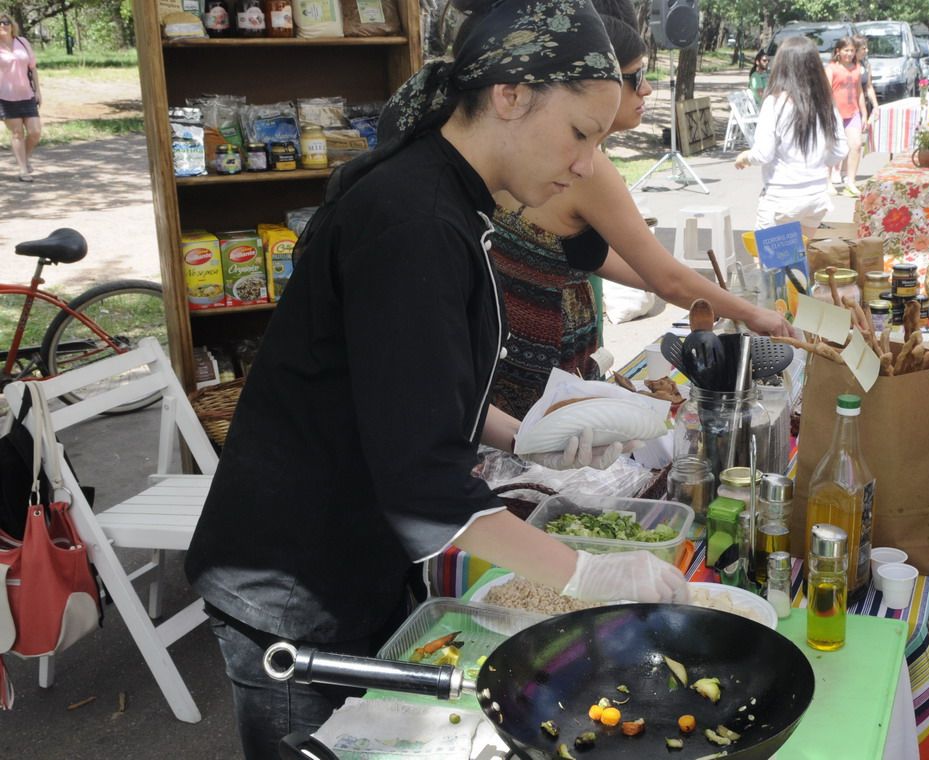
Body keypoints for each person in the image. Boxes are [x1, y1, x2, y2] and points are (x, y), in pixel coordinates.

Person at [184, 2, 688, 755]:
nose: (589, 164)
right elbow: (422, 485)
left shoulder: (451, 199)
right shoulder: (414, 219)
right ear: (510, 95)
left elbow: (400, 378)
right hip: (295, 577)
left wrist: (522, 437)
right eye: (582, 133)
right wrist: (587, 574)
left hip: (361, 556)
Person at [483, 0, 796, 419]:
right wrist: (753, 315)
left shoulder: (561, 156)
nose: (647, 90)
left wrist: (707, 296)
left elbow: (592, 256)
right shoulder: (588, 170)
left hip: (535, 365)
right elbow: (667, 279)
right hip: (534, 377)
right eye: (637, 78)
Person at [734, 36, 849, 237]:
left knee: (767, 262)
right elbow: (840, 149)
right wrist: (817, 163)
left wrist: (745, 157)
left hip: (782, 198)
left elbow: (763, 154)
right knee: (799, 259)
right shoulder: (825, 102)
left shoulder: (775, 102)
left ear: (782, 66)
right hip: (815, 197)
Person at [0, 14, 41, 183]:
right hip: (5, 96)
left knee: (35, 132)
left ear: (12, 24)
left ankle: (24, 159)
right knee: (17, 133)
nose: (3, 25)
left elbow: (33, 68)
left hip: (27, 94)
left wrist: (38, 90)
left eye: (6, 22)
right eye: (0, 23)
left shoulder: (23, 42)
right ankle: (23, 169)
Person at [825, 36, 865, 197]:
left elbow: (859, 91)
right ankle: (827, 181)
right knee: (832, 147)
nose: (849, 54)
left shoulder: (856, 67)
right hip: (834, 114)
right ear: (838, 51)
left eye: (852, 51)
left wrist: (863, 112)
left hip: (852, 112)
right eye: (846, 50)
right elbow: (826, 91)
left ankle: (851, 182)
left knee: (856, 145)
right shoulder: (831, 68)